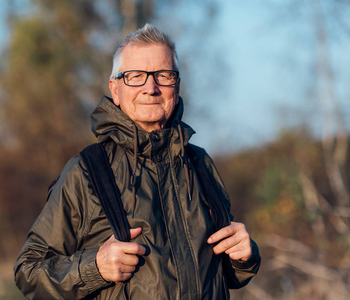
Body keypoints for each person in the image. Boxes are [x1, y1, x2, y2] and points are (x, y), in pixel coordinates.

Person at [14, 24, 260, 299]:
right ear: (115, 89)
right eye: (135, 76)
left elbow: (227, 275)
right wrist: (95, 267)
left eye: (163, 75)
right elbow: (29, 272)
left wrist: (244, 256)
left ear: (176, 86)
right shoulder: (85, 172)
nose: (151, 88)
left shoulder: (200, 163)